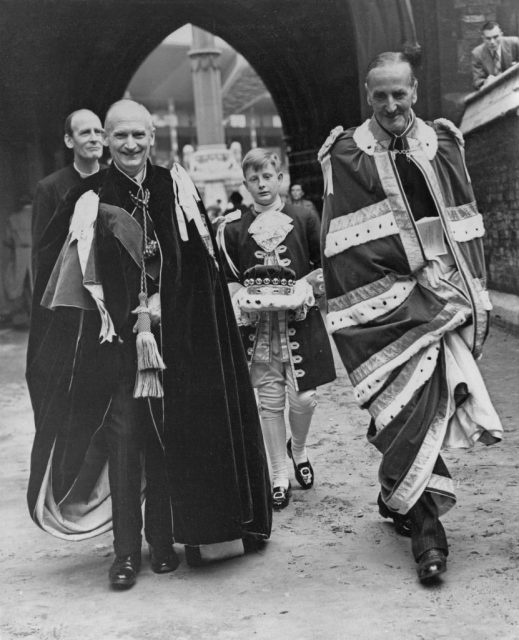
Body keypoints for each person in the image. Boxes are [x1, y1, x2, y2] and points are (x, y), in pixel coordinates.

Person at [26, 100, 272, 590]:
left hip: (174, 344)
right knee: (124, 442)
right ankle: (124, 555)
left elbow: (202, 270)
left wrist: (168, 304)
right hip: (115, 348)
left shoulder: (174, 188)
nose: (131, 145)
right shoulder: (89, 196)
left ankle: (162, 543)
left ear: (152, 137)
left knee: (165, 442)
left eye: (139, 135)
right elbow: (64, 279)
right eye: (121, 136)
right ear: (106, 140)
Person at [319, 52, 503, 583]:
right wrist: (404, 283)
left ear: (415, 91)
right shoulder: (346, 153)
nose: (391, 105)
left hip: (443, 296)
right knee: (396, 408)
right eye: (380, 96)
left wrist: (459, 288)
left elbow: (466, 223)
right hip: (381, 305)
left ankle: (397, 491)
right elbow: (341, 248)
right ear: (368, 96)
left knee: (425, 406)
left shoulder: (444, 142)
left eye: (400, 94)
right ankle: (428, 535)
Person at [219, 148, 336, 510]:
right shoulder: (234, 227)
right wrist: (238, 295)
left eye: (267, 176)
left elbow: (324, 264)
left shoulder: (303, 217)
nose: (261, 184)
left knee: (304, 398)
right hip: (260, 327)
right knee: (269, 402)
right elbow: (230, 277)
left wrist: (308, 286)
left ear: (280, 177)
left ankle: (298, 450)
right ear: (246, 183)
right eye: (253, 179)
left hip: (300, 320)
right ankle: (278, 473)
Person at [31, 109, 104, 276]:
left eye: (98, 132)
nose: (94, 138)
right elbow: (41, 255)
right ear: (69, 141)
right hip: (69, 288)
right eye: (85, 133)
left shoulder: (116, 180)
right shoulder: (49, 188)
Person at [1, 195, 33, 328]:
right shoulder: (36, 216)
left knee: (18, 282)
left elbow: (7, 239)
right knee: (35, 282)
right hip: (33, 251)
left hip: (19, 251)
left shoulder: (13, 218)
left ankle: (23, 314)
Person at [471, 21, 519, 90]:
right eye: (488, 38)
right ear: (483, 38)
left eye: (495, 37)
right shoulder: (477, 53)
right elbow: (477, 81)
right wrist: (486, 82)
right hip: (493, 91)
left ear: (501, 34)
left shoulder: (515, 44)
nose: (492, 42)